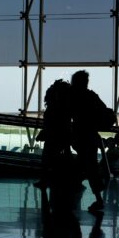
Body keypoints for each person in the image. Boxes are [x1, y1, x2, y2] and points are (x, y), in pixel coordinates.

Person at [70, 70, 107, 213]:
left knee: (85, 168)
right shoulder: (92, 96)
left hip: (81, 136)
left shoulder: (73, 97)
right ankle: (97, 198)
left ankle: (93, 199)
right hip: (91, 136)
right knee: (88, 167)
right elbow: (103, 110)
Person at [34, 79, 73, 210]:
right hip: (62, 137)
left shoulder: (53, 108)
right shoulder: (65, 107)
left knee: (47, 158)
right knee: (63, 157)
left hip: (53, 137)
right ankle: (66, 180)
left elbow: (50, 123)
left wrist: (45, 132)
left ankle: (45, 180)